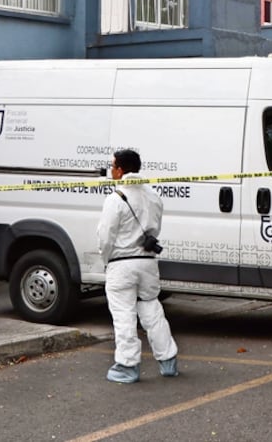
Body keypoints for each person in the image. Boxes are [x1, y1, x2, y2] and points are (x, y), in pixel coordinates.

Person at [97, 149, 179, 384]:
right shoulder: (153, 196)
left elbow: (105, 237)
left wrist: (106, 259)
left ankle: (127, 366)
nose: (111, 170)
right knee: (152, 310)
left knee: (124, 315)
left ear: (120, 170)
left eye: (113, 166)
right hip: (148, 263)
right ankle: (168, 361)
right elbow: (155, 228)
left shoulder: (115, 199)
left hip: (121, 264)